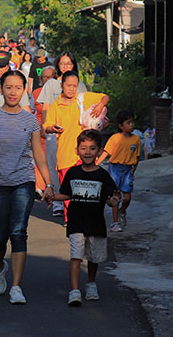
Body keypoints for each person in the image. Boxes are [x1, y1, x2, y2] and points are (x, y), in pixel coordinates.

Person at [0, 70, 55, 304]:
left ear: (24, 90)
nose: (13, 92)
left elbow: (39, 154)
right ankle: (0, 267)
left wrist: (49, 183)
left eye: (18, 88)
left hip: (24, 181)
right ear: (1, 90)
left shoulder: (30, 119)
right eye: (8, 87)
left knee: (19, 232)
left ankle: (16, 286)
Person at [51, 129, 121, 306]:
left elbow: (110, 199)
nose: (87, 152)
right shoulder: (72, 173)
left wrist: (114, 201)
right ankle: (74, 291)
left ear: (99, 151)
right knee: (76, 256)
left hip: (96, 223)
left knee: (93, 257)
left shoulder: (103, 176)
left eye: (92, 148)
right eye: (83, 148)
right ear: (77, 150)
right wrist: (52, 197)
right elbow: (65, 194)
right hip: (75, 222)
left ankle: (90, 283)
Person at [44, 71, 109, 221]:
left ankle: (86, 217)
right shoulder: (55, 106)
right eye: (68, 85)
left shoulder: (82, 99)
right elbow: (46, 126)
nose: (72, 89)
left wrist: (100, 106)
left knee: (87, 188)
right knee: (68, 191)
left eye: (75, 85)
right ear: (62, 85)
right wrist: (52, 128)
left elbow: (105, 97)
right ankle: (70, 219)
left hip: (84, 154)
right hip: (65, 154)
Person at [37, 52, 88, 216]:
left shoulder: (80, 85)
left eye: (69, 63)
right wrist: (44, 128)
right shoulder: (51, 84)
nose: (66, 66)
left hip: (75, 132)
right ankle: (58, 201)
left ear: (73, 65)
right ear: (58, 65)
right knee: (54, 165)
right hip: (54, 131)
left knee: (75, 166)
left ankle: (76, 201)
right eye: (62, 63)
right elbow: (45, 107)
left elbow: (87, 108)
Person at [96, 110, 141, 232]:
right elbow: (106, 153)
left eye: (132, 122)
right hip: (115, 169)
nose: (132, 125)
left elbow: (136, 158)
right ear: (121, 126)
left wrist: (133, 171)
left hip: (127, 170)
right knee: (115, 196)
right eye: (128, 122)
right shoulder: (115, 138)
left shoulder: (136, 140)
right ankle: (115, 222)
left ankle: (122, 211)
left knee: (127, 197)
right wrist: (95, 164)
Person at [32, 66, 56, 196]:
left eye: (50, 77)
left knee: (52, 160)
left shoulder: (59, 92)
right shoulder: (36, 93)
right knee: (39, 158)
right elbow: (30, 111)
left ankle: (52, 185)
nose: (47, 79)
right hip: (38, 131)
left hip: (53, 131)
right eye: (44, 77)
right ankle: (38, 186)